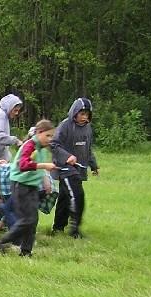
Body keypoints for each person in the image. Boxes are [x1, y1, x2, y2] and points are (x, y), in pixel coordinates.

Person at [0, 119, 58, 257]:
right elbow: (23, 165)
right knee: (27, 220)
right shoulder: (30, 145)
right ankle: (2, 242)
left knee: (33, 220)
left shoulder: (41, 147)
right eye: (48, 135)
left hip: (32, 186)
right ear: (39, 133)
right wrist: (44, 166)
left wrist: (45, 179)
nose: (50, 139)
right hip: (21, 186)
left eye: (52, 136)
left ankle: (26, 252)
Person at [51, 98, 98, 238]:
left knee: (65, 197)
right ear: (75, 112)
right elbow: (54, 144)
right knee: (77, 195)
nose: (84, 117)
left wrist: (93, 165)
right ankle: (75, 229)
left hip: (79, 169)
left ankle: (58, 228)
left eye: (87, 114)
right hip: (65, 169)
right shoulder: (65, 126)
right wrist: (67, 157)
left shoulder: (88, 128)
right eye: (81, 113)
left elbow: (88, 148)